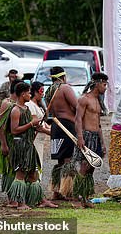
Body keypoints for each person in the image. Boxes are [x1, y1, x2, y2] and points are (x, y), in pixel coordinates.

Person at [7, 82, 57, 210]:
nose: (30, 95)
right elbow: (14, 130)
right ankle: (20, 203)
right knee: (21, 174)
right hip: (20, 145)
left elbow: (33, 124)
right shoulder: (16, 110)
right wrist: (31, 124)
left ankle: (39, 199)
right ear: (23, 94)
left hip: (29, 145)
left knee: (34, 174)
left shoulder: (26, 109)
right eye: (28, 93)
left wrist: (37, 125)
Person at [71, 72, 108, 208]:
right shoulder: (84, 99)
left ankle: (85, 198)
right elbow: (78, 119)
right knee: (84, 167)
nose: (105, 88)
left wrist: (103, 143)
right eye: (104, 85)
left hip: (95, 137)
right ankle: (76, 198)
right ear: (97, 84)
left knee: (92, 168)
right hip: (86, 136)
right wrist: (80, 137)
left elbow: (98, 124)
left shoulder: (98, 100)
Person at [45, 66, 78, 200]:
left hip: (55, 126)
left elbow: (48, 113)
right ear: (63, 76)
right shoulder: (65, 88)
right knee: (68, 159)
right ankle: (68, 191)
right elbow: (77, 106)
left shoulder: (50, 91)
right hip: (67, 126)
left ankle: (56, 191)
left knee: (59, 159)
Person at [0, 79, 20, 206]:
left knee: (17, 168)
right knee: (9, 169)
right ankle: (11, 198)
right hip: (8, 141)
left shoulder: (17, 103)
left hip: (17, 142)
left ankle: (17, 195)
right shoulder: (6, 103)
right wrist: (4, 144)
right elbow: (1, 126)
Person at [26, 81, 50, 174]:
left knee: (39, 165)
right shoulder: (30, 105)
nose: (43, 94)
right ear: (35, 92)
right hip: (34, 141)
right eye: (41, 91)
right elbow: (36, 124)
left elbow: (43, 123)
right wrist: (46, 130)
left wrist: (51, 129)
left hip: (40, 141)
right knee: (35, 167)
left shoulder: (38, 105)